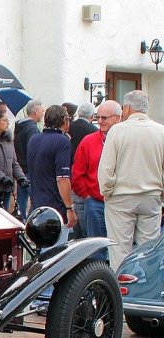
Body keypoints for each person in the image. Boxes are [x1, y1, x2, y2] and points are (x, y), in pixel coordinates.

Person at [98, 90, 164, 270]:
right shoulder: (161, 131)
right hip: (151, 196)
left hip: (121, 196)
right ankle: (146, 284)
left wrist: (106, 191)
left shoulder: (117, 131)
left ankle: (121, 283)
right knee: (149, 249)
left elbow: (106, 168)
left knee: (120, 249)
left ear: (127, 108)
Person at [71, 100, 121, 260]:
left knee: (120, 247)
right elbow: (77, 173)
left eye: (104, 118)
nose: (100, 121)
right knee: (95, 250)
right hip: (95, 203)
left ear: (117, 118)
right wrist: (87, 195)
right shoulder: (88, 141)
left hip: (120, 202)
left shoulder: (125, 141)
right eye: (98, 117)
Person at [27, 105, 76, 241]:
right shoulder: (62, 142)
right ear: (64, 120)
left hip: (37, 204)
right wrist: (69, 208)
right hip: (56, 208)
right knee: (58, 250)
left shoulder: (34, 139)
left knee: (42, 248)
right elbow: (62, 179)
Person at [67, 102, 98, 237]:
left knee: (75, 209)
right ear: (92, 116)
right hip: (86, 177)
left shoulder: (69, 127)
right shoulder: (94, 131)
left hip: (69, 173)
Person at [13, 100, 45, 219]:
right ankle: (31, 224)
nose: (43, 113)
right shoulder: (32, 128)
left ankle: (21, 223)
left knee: (21, 203)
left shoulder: (20, 127)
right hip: (30, 171)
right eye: (42, 111)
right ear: (36, 111)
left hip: (20, 170)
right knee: (37, 202)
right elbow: (34, 150)